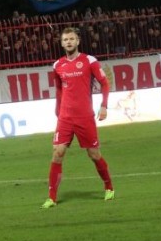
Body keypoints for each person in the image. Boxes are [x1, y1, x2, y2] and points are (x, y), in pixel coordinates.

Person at [43, 26, 114, 209]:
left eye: (71, 39)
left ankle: (108, 187)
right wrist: (58, 110)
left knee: (94, 154)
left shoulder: (89, 61)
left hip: (84, 117)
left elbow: (105, 83)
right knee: (57, 153)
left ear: (78, 41)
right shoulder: (57, 65)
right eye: (65, 40)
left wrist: (104, 105)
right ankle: (51, 197)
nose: (69, 42)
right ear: (61, 43)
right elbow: (59, 89)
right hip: (65, 117)